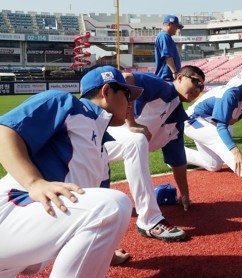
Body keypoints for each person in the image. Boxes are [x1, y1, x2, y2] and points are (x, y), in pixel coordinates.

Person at [0, 66, 143, 277]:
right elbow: (5, 131)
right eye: (127, 94)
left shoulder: (102, 149)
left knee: (107, 206)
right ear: (106, 91)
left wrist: (106, 250)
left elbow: (92, 216)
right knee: (114, 205)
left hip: (26, 241)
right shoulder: (66, 104)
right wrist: (34, 183)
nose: (131, 103)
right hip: (10, 210)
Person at [105, 66, 204, 242]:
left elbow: (178, 160)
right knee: (137, 140)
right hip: (98, 137)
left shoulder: (177, 117)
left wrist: (184, 193)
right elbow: (127, 78)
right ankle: (149, 219)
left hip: (106, 148)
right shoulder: (164, 87)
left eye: (201, 87)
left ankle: (147, 219)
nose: (198, 89)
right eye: (196, 81)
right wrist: (131, 121)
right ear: (180, 78)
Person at [184, 71, 242, 188]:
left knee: (214, 165)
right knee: (218, 138)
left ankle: (177, 155)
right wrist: (236, 152)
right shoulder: (230, 95)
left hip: (208, 124)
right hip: (193, 120)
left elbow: (231, 121)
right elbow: (221, 126)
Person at [155, 15, 183, 81]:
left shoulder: (166, 36)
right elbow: (167, 55)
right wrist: (174, 72)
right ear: (169, 24)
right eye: (176, 27)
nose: (176, 30)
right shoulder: (164, 36)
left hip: (167, 77)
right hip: (166, 77)